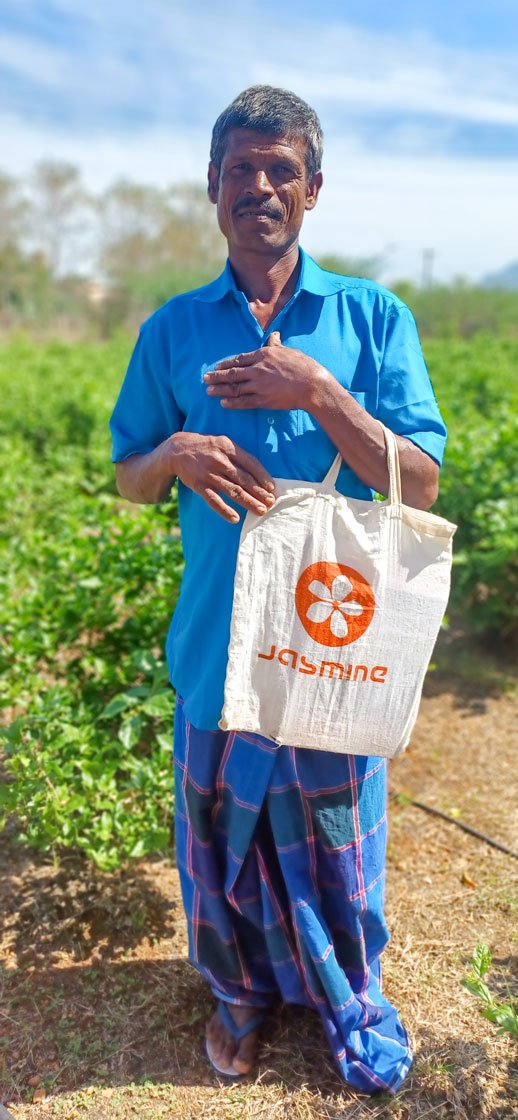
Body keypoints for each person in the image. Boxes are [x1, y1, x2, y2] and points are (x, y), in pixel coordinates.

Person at [110, 85, 447, 1094]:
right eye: (240, 169)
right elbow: (130, 477)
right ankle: (240, 997)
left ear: (311, 189)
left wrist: (319, 392)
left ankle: (343, 991)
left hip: (328, 646)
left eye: (279, 169)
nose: (258, 185)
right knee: (223, 850)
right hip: (216, 646)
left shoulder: (368, 317)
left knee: (333, 846)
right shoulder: (172, 330)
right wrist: (170, 451)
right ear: (211, 188)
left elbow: (419, 482)